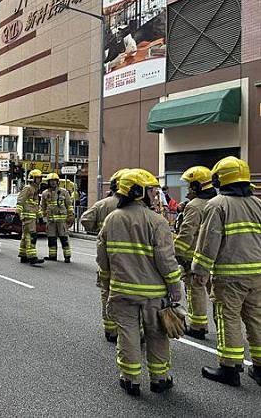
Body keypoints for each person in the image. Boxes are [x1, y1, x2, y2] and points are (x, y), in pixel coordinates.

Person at [97, 169, 181, 396]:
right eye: (151, 190)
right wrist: (176, 290)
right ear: (138, 191)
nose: (155, 194)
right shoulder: (157, 221)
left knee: (128, 334)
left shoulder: (111, 219)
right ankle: (160, 379)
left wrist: (105, 282)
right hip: (154, 295)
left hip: (122, 292)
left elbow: (102, 257)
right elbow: (167, 261)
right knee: (157, 335)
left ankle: (130, 379)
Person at [192, 156, 261, 387]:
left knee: (228, 317)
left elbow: (208, 241)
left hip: (230, 276)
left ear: (219, 179)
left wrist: (199, 270)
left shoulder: (217, 204)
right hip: (258, 275)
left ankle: (229, 369)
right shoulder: (258, 203)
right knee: (257, 319)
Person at [81, 168, 128, 342]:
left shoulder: (103, 204)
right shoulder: (138, 207)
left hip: (107, 257)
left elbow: (85, 219)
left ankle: (111, 330)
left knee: (107, 292)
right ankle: (134, 332)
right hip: (132, 260)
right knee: (131, 296)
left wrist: (97, 231)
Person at [173, 166, 217, 340]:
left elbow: (186, 234)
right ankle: (223, 331)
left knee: (196, 291)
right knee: (217, 296)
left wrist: (176, 253)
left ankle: (198, 326)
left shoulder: (194, 206)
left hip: (194, 258)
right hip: (216, 258)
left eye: (190, 185)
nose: (188, 189)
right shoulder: (219, 202)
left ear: (198, 186)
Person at [40, 173, 74, 262]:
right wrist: (42, 218)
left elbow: (69, 205)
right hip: (51, 221)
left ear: (57, 182)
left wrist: (70, 215)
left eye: (54, 181)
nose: (53, 183)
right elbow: (42, 207)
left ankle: (67, 257)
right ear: (48, 182)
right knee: (51, 239)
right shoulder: (45, 193)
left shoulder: (64, 192)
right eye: (51, 181)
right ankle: (52, 256)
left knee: (64, 239)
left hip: (62, 221)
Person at [16, 169, 44, 265]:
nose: (39, 180)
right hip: (28, 217)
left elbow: (36, 205)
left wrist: (40, 216)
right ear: (32, 179)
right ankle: (32, 257)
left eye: (40, 178)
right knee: (32, 236)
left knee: (25, 236)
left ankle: (23, 255)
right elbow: (20, 201)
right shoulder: (28, 188)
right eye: (37, 178)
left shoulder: (35, 189)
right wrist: (18, 213)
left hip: (31, 217)